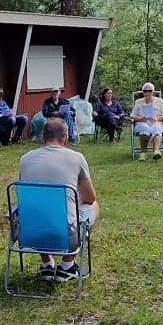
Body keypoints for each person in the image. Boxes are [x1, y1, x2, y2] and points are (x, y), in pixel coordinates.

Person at [17, 119, 98, 281]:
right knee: (94, 206)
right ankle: (67, 266)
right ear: (66, 139)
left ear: (42, 138)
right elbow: (89, 198)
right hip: (65, 236)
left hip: (28, 233)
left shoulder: (25, 159)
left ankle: (47, 264)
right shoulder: (77, 158)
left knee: (38, 209)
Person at [129, 82, 163, 159]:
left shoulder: (159, 101)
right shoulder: (138, 102)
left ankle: (156, 151)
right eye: (145, 91)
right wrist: (141, 118)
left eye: (149, 91)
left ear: (153, 92)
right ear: (143, 92)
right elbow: (132, 116)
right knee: (144, 128)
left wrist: (157, 118)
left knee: (157, 128)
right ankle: (143, 153)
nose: (147, 93)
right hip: (142, 122)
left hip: (156, 122)